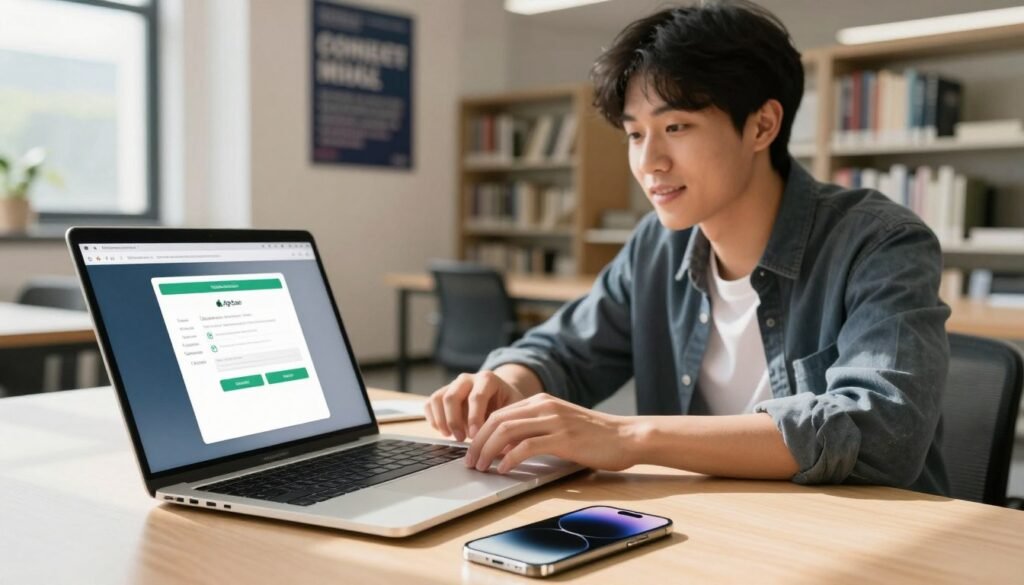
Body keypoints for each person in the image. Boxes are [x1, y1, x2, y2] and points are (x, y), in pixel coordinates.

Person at [425, 0, 950, 495]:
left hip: (862, 538)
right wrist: (506, 384)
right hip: (703, 528)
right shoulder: (658, 245)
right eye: (635, 134)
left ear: (763, 125)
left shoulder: (880, 242)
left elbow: (882, 430)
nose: (650, 161)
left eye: (676, 126)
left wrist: (630, 438)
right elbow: (563, 351)